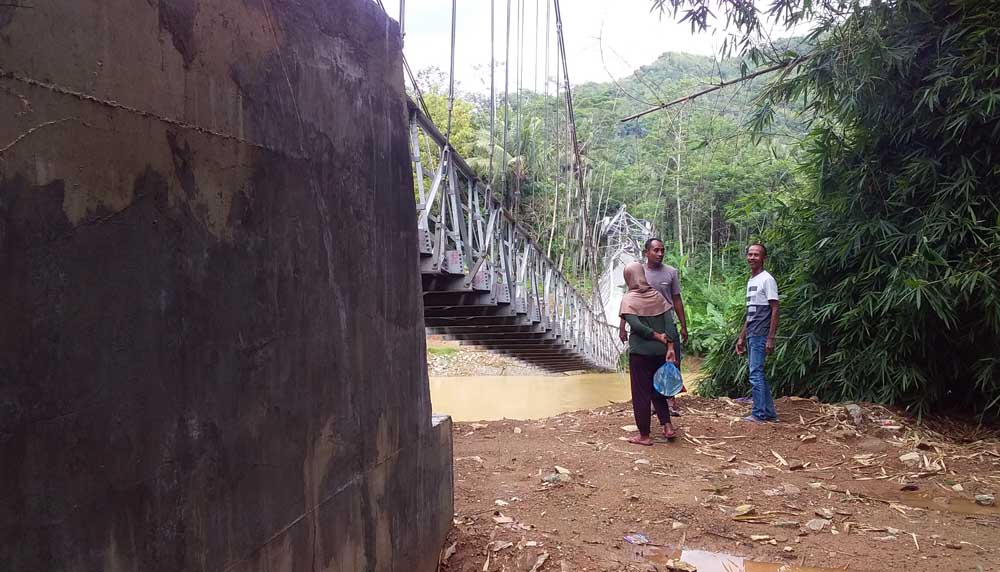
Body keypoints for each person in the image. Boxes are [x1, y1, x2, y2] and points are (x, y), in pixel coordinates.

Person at [618, 238, 688, 415]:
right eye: (656, 250)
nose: (660, 253)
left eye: (662, 250)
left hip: (666, 323)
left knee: (671, 363)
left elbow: (676, 299)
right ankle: (653, 403)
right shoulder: (639, 272)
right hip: (645, 326)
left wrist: (683, 325)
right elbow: (629, 302)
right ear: (646, 252)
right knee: (650, 366)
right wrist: (622, 326)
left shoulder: (671, 272)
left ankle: (670, 401)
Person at [619, 262, 679, 446]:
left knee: (641, 394)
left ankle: (644, 435)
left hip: (640, 354)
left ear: (628, 278)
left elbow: (636, 326)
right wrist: (669, 347)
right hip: (660, 353)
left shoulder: (629, 300)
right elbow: (670, 325)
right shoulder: (658, 296)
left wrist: (655, 336)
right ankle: (667, 426)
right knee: (658, 390)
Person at [735, 244, 780, 422]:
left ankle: (759, 414)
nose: (752, 257)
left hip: (761, 333)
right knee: (758, 372)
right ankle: (768, 412)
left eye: (757, 255)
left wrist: (771, 337)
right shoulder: (752, 280)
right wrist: (741, 336)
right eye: (750, 254)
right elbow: (751, 313)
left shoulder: (767, 279)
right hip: (753, 332)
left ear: (764, 258)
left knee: (755, 373)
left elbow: (775, 309)